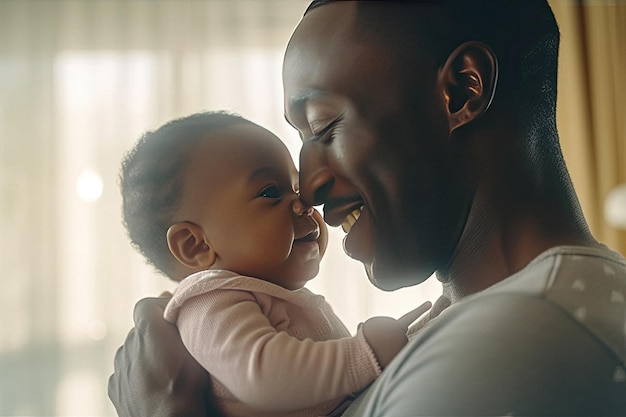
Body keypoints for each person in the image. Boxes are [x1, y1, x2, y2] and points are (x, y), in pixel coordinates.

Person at [109, 0, 626, 415]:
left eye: (323, 128)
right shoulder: (549, 309)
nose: (307, 190)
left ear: (461, 91)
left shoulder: (510, 346)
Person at [118, 111, 429, 417]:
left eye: (295, 187)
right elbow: (260, 373)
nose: (305, 202)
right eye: (270, 192)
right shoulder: (208, 302)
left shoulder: (257, 294)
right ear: (195, 244)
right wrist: (364, 355)